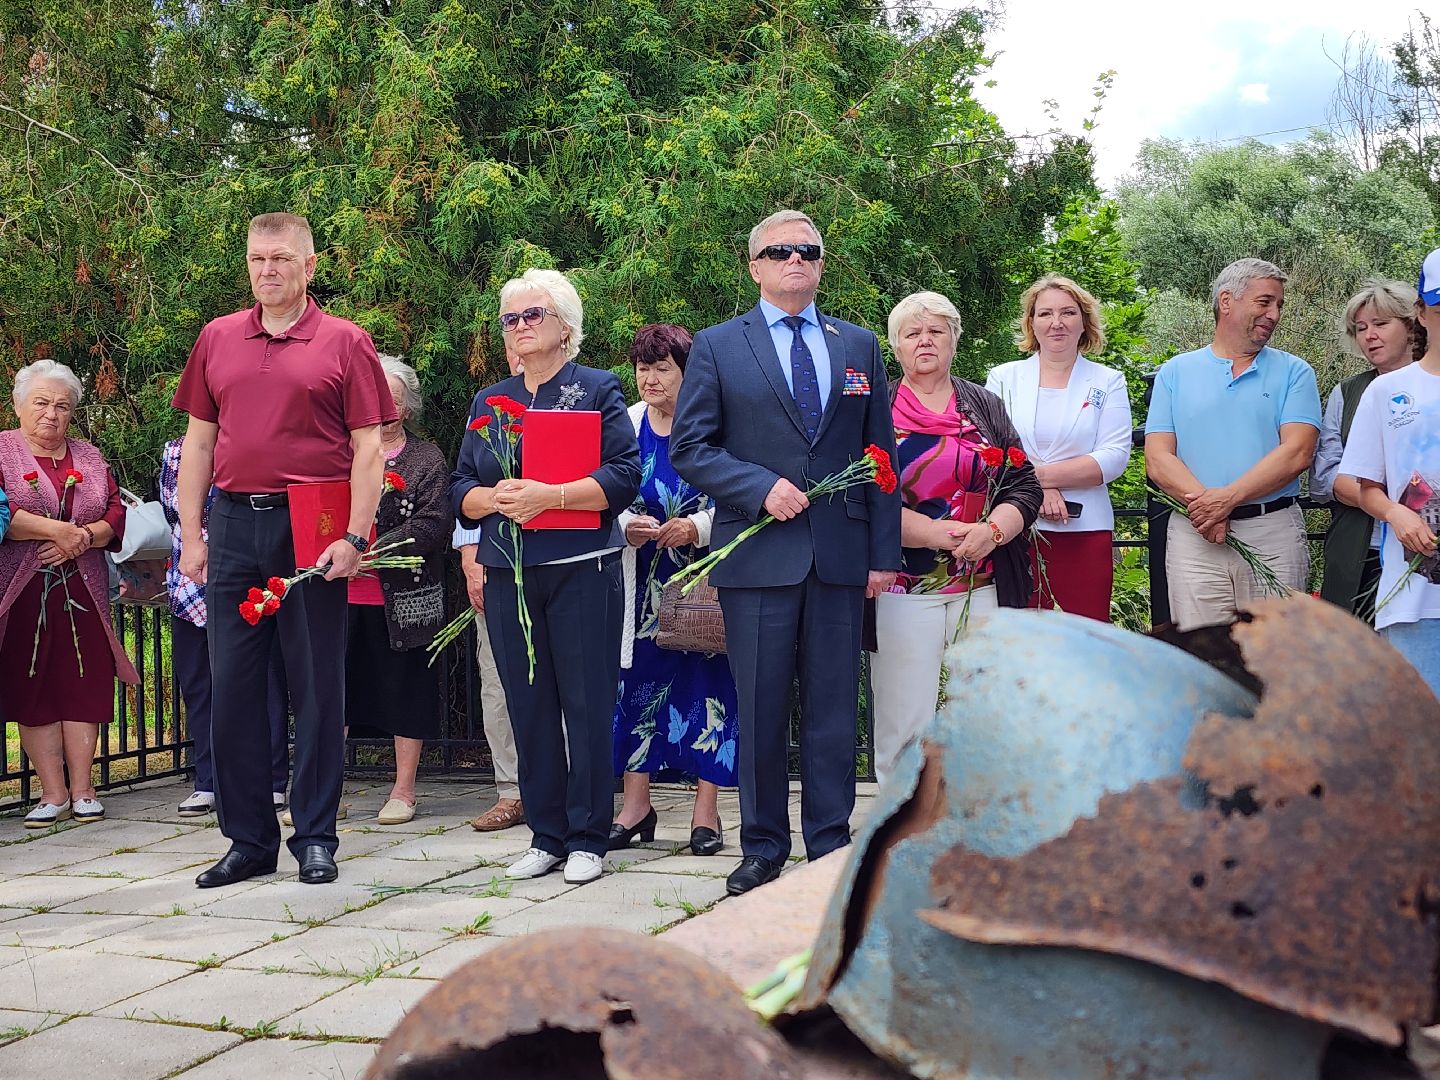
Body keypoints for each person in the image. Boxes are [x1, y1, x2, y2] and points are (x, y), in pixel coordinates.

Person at [670, 210, 901, 896]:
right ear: (756, 267)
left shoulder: (857, 344)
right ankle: (763, 845)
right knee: (762, 708)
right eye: (780, 251)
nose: (795, 259)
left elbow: (880, 456)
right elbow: (691, 447)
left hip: (838, 558)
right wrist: (759, 486)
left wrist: (882, 555)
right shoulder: (717, 345)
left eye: (808, 250)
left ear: (821, 264)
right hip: (759, 559)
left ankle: (831, 845)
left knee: (834, 710)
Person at [173, 211, 395, 887]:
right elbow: (199, 443)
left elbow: (369, 448)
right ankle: (247, 840)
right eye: (256, 259)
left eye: (280, 259)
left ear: (309, 265)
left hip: (313, 527)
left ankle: (317, 837)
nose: (267, 270)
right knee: (233, 687)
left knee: (317, 688)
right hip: (236, 525)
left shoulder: (344, 341)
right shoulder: (217, 339)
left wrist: (356, 535)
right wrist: (191, 533)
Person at [450, 268, 641, 885]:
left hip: (582, 568)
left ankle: (589, 836)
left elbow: (623, 475)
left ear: (564, 327)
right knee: (528, 703)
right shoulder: (490, 400)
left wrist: (551, 497)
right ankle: (546, 833)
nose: (520, 327)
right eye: (511, 318)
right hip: (509, 569)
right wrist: (490, 500)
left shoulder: (596, 389)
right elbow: (459, 485)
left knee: (585, 704)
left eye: (532, 316)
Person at [873, 292, 1042, 784]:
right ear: (896, 346)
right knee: (905, 715)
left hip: (984, 581)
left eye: (936, 331)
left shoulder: (983, 404)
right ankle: (898, 820)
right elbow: (859, 497)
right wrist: (930, 532)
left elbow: (1024, 483)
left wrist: (994, 530)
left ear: (953, 340)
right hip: (904, 585)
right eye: (912, 333)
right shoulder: (878, 408)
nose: (925, 341)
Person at [612, 324, 737, 856]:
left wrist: (697, 528)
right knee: (636, 689)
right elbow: (605, 488)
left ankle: (705, 815)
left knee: (707, 690)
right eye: (643, 367)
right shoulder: (626, 424)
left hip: (703, 583)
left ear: (689, 373)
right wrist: (627, 524)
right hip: (640, 585)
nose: (650, 378)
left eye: (663, 367)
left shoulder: (715, 427)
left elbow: (737, 495)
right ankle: (635, 808)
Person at [1145, 258, 1320, 629]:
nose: (1273, 314)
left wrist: (1225, 500)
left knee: (1278, 658)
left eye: (1279, 305)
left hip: (1273, 535)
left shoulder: (1296, 372)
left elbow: (1297, 452)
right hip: (1194, 538)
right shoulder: (1176, 372)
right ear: (1226, 301)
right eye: (1264, 302)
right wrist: (1207, 510)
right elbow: (1158, 458)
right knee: (1202, 658)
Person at [0, 359, 139, 827]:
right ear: (18, 406)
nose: (51, 414)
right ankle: (52, 792)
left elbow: (116, 511)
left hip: (84, 590)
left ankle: (83, 790)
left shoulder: (90, 456)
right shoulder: (3, 451)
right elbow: (7, 515)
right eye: (40, 403)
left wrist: (85, 537)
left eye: (62, 406)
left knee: (84, 681)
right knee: (32, 683)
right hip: (22, 588)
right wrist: (63, 532)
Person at [985, 275, 1132, 621]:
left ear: (1084, 322)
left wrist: (1041, 480)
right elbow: (992, 450)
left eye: (1067, 313)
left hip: (1086, 531)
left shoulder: (1108, 381)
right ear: (1031, 323)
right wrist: (1039, 491)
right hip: (1016, 529)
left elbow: (1113, 457)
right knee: (1025, 641)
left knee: (1087, 638)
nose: (1056, 323)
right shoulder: (1002, 378)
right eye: (1045, 313)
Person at [342, 357, 449, 824]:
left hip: (405, 599)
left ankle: (403, 791)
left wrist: (369, 551)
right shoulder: (337, 453)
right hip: (340, 596)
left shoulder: (426, 459)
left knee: (407, 691)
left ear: (405, 409)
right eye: (374, 397)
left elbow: (432, 522)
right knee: (334, 692)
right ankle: (324, 788)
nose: (383, 408)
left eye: (393, 400)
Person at [160, 436, 291, 817]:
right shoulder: (177, 450)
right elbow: (175, 510)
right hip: (191, 582)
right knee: (200, 686)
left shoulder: (254, 443)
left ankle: (270, 781)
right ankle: (208, 781)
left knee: (262, 683)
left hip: (248, 581)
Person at [1338, 248, 1440, 695]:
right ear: (1421, 312)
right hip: (1413, 597)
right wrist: (1398, 516)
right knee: (1420, 734)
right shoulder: (1387, 390)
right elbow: (1365, 486)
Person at [1312, 280, 1425, 623]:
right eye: (1360, 329)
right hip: (1361, 553)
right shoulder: (1347, 393)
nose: (1369, 336)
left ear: (1411, 326)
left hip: (1425, 551)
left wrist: (1371, 484)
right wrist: (1390, 503)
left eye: (1380, 324)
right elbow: (1324, 479)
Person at [457, 347, 526, 834]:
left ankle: (564, 787)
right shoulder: (487, 405)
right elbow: (465, 482)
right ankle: (511, 792)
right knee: (497, 682)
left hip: (558, 567)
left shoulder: (579, 400)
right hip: (495, 562)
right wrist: (468, 559)